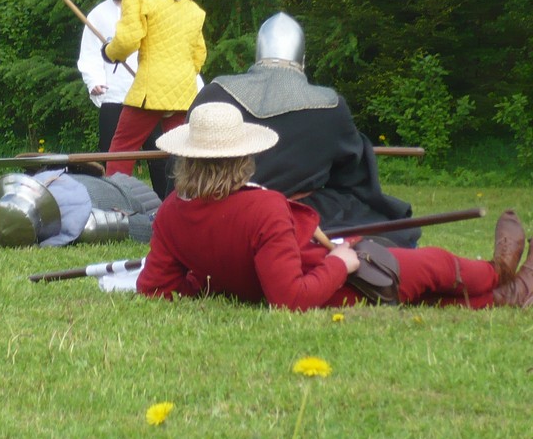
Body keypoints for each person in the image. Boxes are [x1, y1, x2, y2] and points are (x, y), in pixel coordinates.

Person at [136, 102, 533, 310]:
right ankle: (497, 273)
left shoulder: (171, 212)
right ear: (243, 157)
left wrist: (210, 281)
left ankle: (506, 295)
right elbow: (291, 299)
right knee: (435, 266)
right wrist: (340, 263)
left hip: (313, 268)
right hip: (334, 285)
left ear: (187, 159)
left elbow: (155, 287)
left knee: (426, 293)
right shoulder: (264, 208)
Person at [185, 12, 419, 248]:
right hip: (286, 215)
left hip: (212, 212)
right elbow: (352, 180)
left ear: (258, 55)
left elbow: (182, 167)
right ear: (302, 60)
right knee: (387, 226)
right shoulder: (330, 105)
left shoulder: (213, 92)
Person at [101, 0, 206, 179]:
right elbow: (199, 53)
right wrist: (180, 75)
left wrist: (109, 52)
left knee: (122, 148)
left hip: (150, 89)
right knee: (182, 153)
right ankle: (187, 197)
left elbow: (128, 39)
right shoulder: (187, 0)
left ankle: (115, 198)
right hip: (184, 89)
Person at [77, 0, 167, 197]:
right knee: (110, 159)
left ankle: (165, 207)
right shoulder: (98, 15)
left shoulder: (148, 9)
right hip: (114, 97)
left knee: (161, 159)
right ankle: (113, 205)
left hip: (148, 95)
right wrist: (95, 81)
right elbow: (89, 54)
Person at [0, 168, 161, 247]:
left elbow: (153, 228)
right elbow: (153, 228)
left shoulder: (85, 222)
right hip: (110, 189)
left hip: (125, 190)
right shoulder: (85, 223)